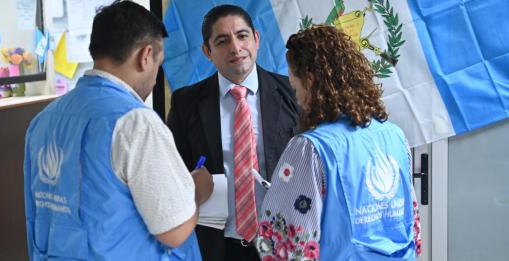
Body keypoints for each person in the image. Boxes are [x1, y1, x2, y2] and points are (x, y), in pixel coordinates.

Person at [23, 1, 213, 260]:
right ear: (145, 56)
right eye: (159, 64)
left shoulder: (43, 120)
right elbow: (175, 231)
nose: (156, 78)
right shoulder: (136, 122)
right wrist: (198, 191)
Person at [256, 25, 422, 260]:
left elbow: (287, 245)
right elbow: (412, 226)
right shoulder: (394, 136)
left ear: (310, 81)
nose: (297, 98)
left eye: (295, 87)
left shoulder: (308, 149)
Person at [167, 4, 299, 261]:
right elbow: (174, 175)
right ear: (207, 51)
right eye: (222, 40)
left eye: (242, 36)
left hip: (283, 243)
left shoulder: (292, 93)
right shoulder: (186, 103)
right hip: (218, 248)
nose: (236, 48)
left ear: (256, 39)